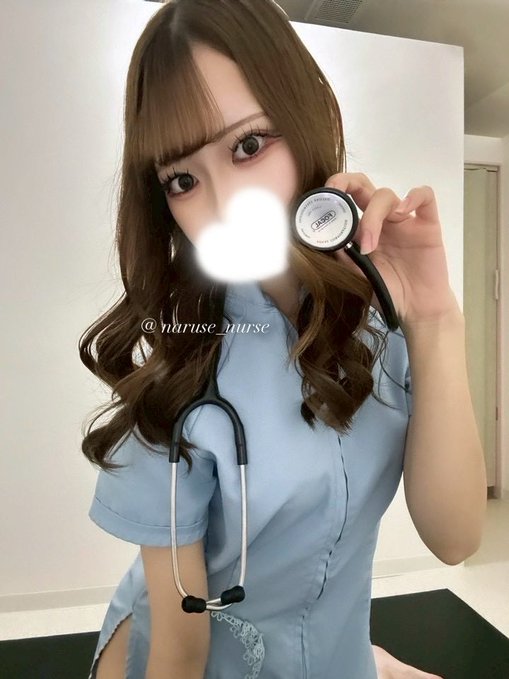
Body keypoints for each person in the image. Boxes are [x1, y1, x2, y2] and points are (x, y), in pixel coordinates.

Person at [80, 1, 487, 678]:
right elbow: (180, 647)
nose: (223, 206)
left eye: (248, 146)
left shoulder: (382, 318)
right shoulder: (181, 371)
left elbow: (456, 539)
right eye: (182, 180)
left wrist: (435, 318)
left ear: (309, 120)